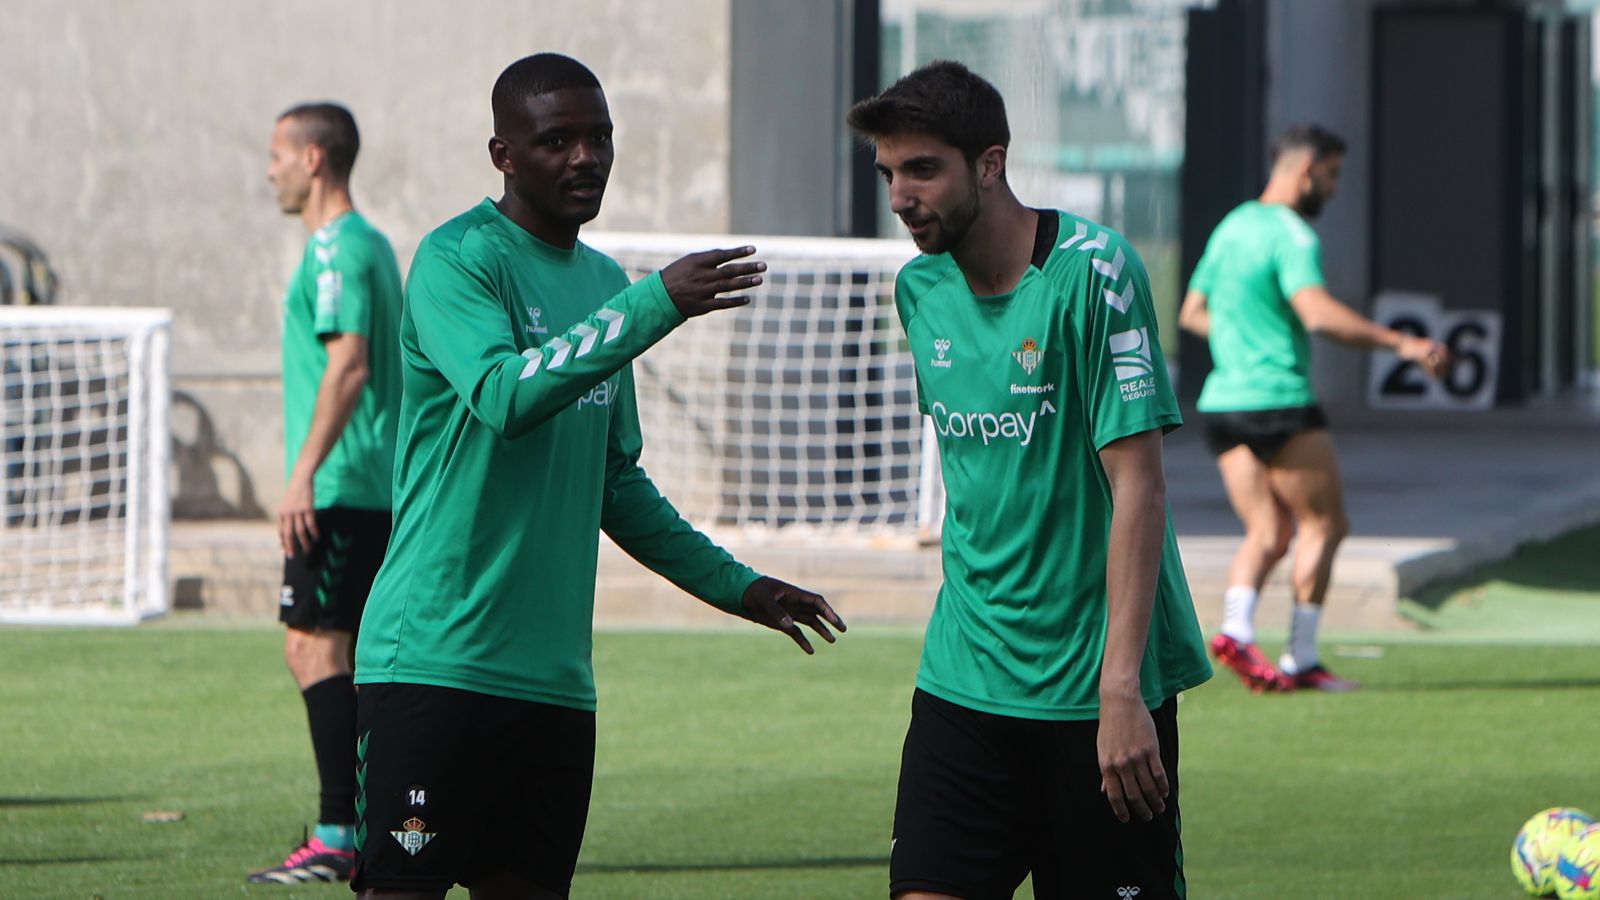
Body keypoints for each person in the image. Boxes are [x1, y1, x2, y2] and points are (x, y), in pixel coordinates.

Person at [350, 53, 845, 900]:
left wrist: (741, 588)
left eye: (599, 137)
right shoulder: (457, 261)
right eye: (557, 140)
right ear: (503, 154)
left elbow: (616, 485)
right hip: (432, 666)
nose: (586, 157)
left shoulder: (601, 283)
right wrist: (655, 304)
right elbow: (505, 396)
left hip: (554, 687)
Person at [848, 61, 1212, 900]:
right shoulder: (918, 290)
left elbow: (1141, 489)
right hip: (963, 680)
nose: (901, 195)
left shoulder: (1095, 272)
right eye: (889, 173)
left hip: (1095, 692)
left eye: (923, 169)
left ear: (989, 163)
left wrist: (1120, 689)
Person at [1179, 123, 1449, 693]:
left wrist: (1243, 341)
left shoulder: (1232, 227)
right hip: (1279, 400)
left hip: (1224, 403)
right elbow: (1320, 315)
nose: (1334, 188)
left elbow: (1193, 312)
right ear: (1307, 170)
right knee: (1326, 524)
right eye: (1333, 176)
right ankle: (1302, 657)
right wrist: (1403, 344)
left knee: (1268, 530)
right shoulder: (1290, 234)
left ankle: (1235, 631)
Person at [251, 102, 404, 884]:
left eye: (277, 153)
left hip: (343, 484)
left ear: (314, 159)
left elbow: (350, 363)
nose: (268, 168)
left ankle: (343, 833)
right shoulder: (369, 243)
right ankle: (368, 828)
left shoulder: (337, 249)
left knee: (315, 646)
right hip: (366, 482)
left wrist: (302, 472)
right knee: (335, 649)